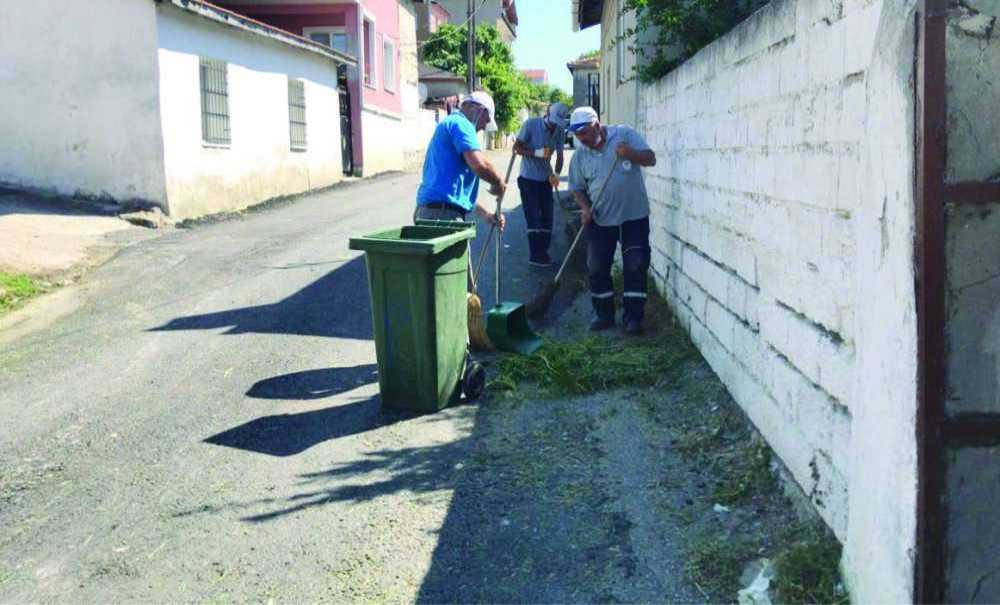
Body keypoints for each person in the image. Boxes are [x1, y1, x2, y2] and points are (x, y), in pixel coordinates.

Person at [567, 106, 657, 335]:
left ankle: (633, 318)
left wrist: (630, 154)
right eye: (577, 135)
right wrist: (585, 208)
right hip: (601, 219)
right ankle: (604, 315)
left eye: (584, 133)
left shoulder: (624, 134)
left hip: (634, 215)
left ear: (597, 125)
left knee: (635, 265)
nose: (581, 139)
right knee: (596, 268)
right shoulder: (580, 155)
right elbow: (577, 187)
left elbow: (650, 158)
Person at [415, 90, 507, 232]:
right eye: (486, 120)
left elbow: (456, 196)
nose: (483, 126)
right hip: (443, 216)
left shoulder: (451, 124)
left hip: (433, 212)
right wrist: (499, 182)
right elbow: (480, 165)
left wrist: (486, 215)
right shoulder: (461, 124)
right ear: (479, 110)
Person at [512, 102, 570, 266]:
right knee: (533, 217)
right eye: (553, 122)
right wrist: (536, 152)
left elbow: (559, 156)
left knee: (547, 217)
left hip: (546, 179)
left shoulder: (559, 131)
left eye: (557, 123)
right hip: (528, 179)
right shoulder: (530, 125)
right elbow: (516, 148)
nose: (554, 126)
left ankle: (543, 253)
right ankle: (535, 255)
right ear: (547, 114)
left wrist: (556, 174)